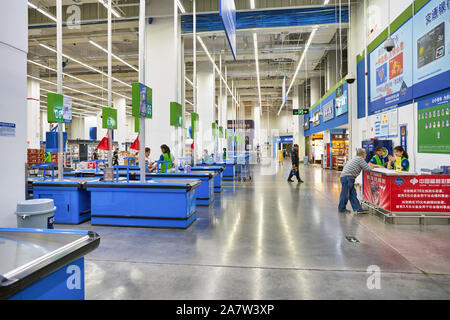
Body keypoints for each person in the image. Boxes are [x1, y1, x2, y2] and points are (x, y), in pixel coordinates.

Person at [338, 148, 382, 213]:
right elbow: (367, 168)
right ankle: (341, 208)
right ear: (363, 154)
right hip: (348, 177)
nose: (366, 155)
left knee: (352, 194)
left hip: (347, 177)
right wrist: (373, 167)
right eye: (365, 154)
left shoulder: (355, 158)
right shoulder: (360, 159)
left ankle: (357, 208)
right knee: (345, 194)